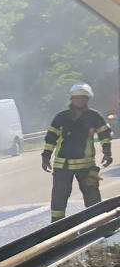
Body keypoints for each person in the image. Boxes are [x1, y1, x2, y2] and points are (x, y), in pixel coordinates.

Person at [42, 83, 113, 222]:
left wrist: (107, 152)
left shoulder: (94, 116)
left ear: (87, 100)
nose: (79, 101)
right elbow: (51, 139)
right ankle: (57, 229)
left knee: (93, 199)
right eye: (77, 98)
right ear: (71, 99)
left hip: (87, 167)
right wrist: (45, 157)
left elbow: (104, 135)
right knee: (59, 199)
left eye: (83, 98)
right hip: (63, 167)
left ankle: (99, 227)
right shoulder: (61, 117)